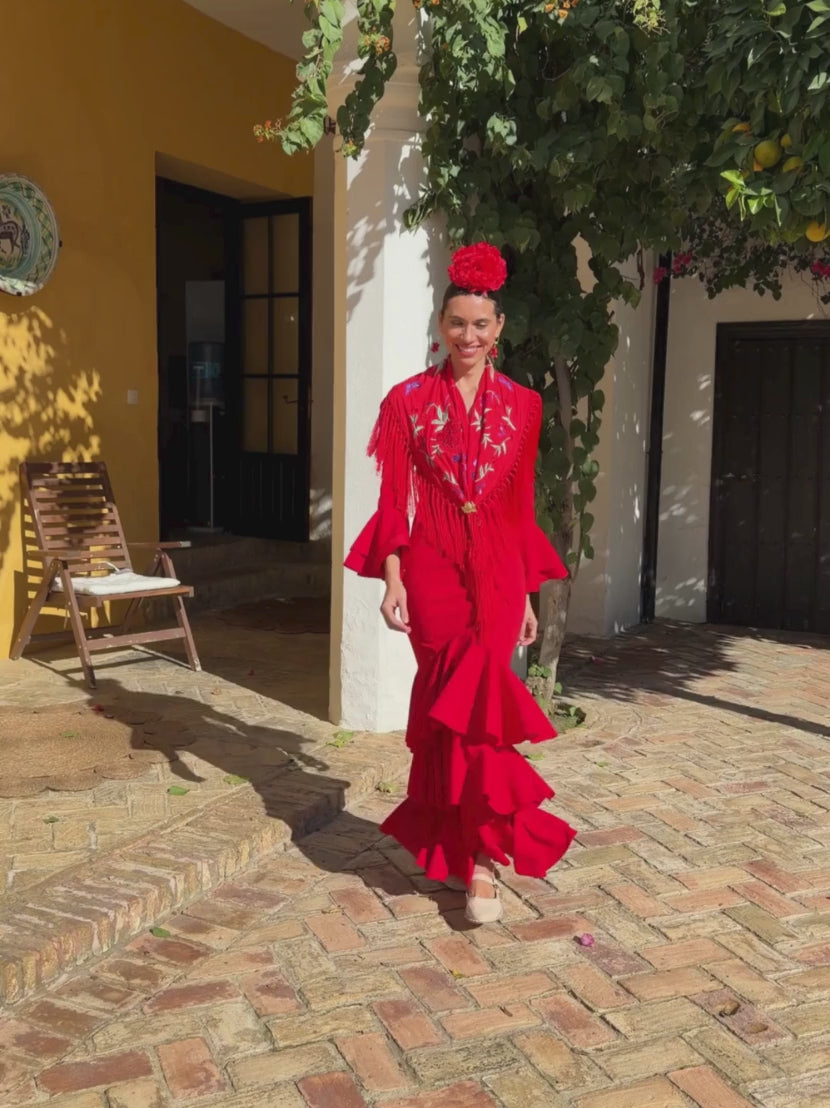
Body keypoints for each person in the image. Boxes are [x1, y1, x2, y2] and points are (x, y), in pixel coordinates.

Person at [345, 243, 577, 924]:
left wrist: (531, 593)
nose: (468, 336)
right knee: (453, 705)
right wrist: (392, 576)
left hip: (502, 572)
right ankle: (467, 857)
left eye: (480, 324)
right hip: (432, 568)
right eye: (457, 323)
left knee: (482, 713)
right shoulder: (408, 402)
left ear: (498, 328)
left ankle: (472, 858)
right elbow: (395, 501)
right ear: (440, 326)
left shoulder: (525, 406)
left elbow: (519, 502)